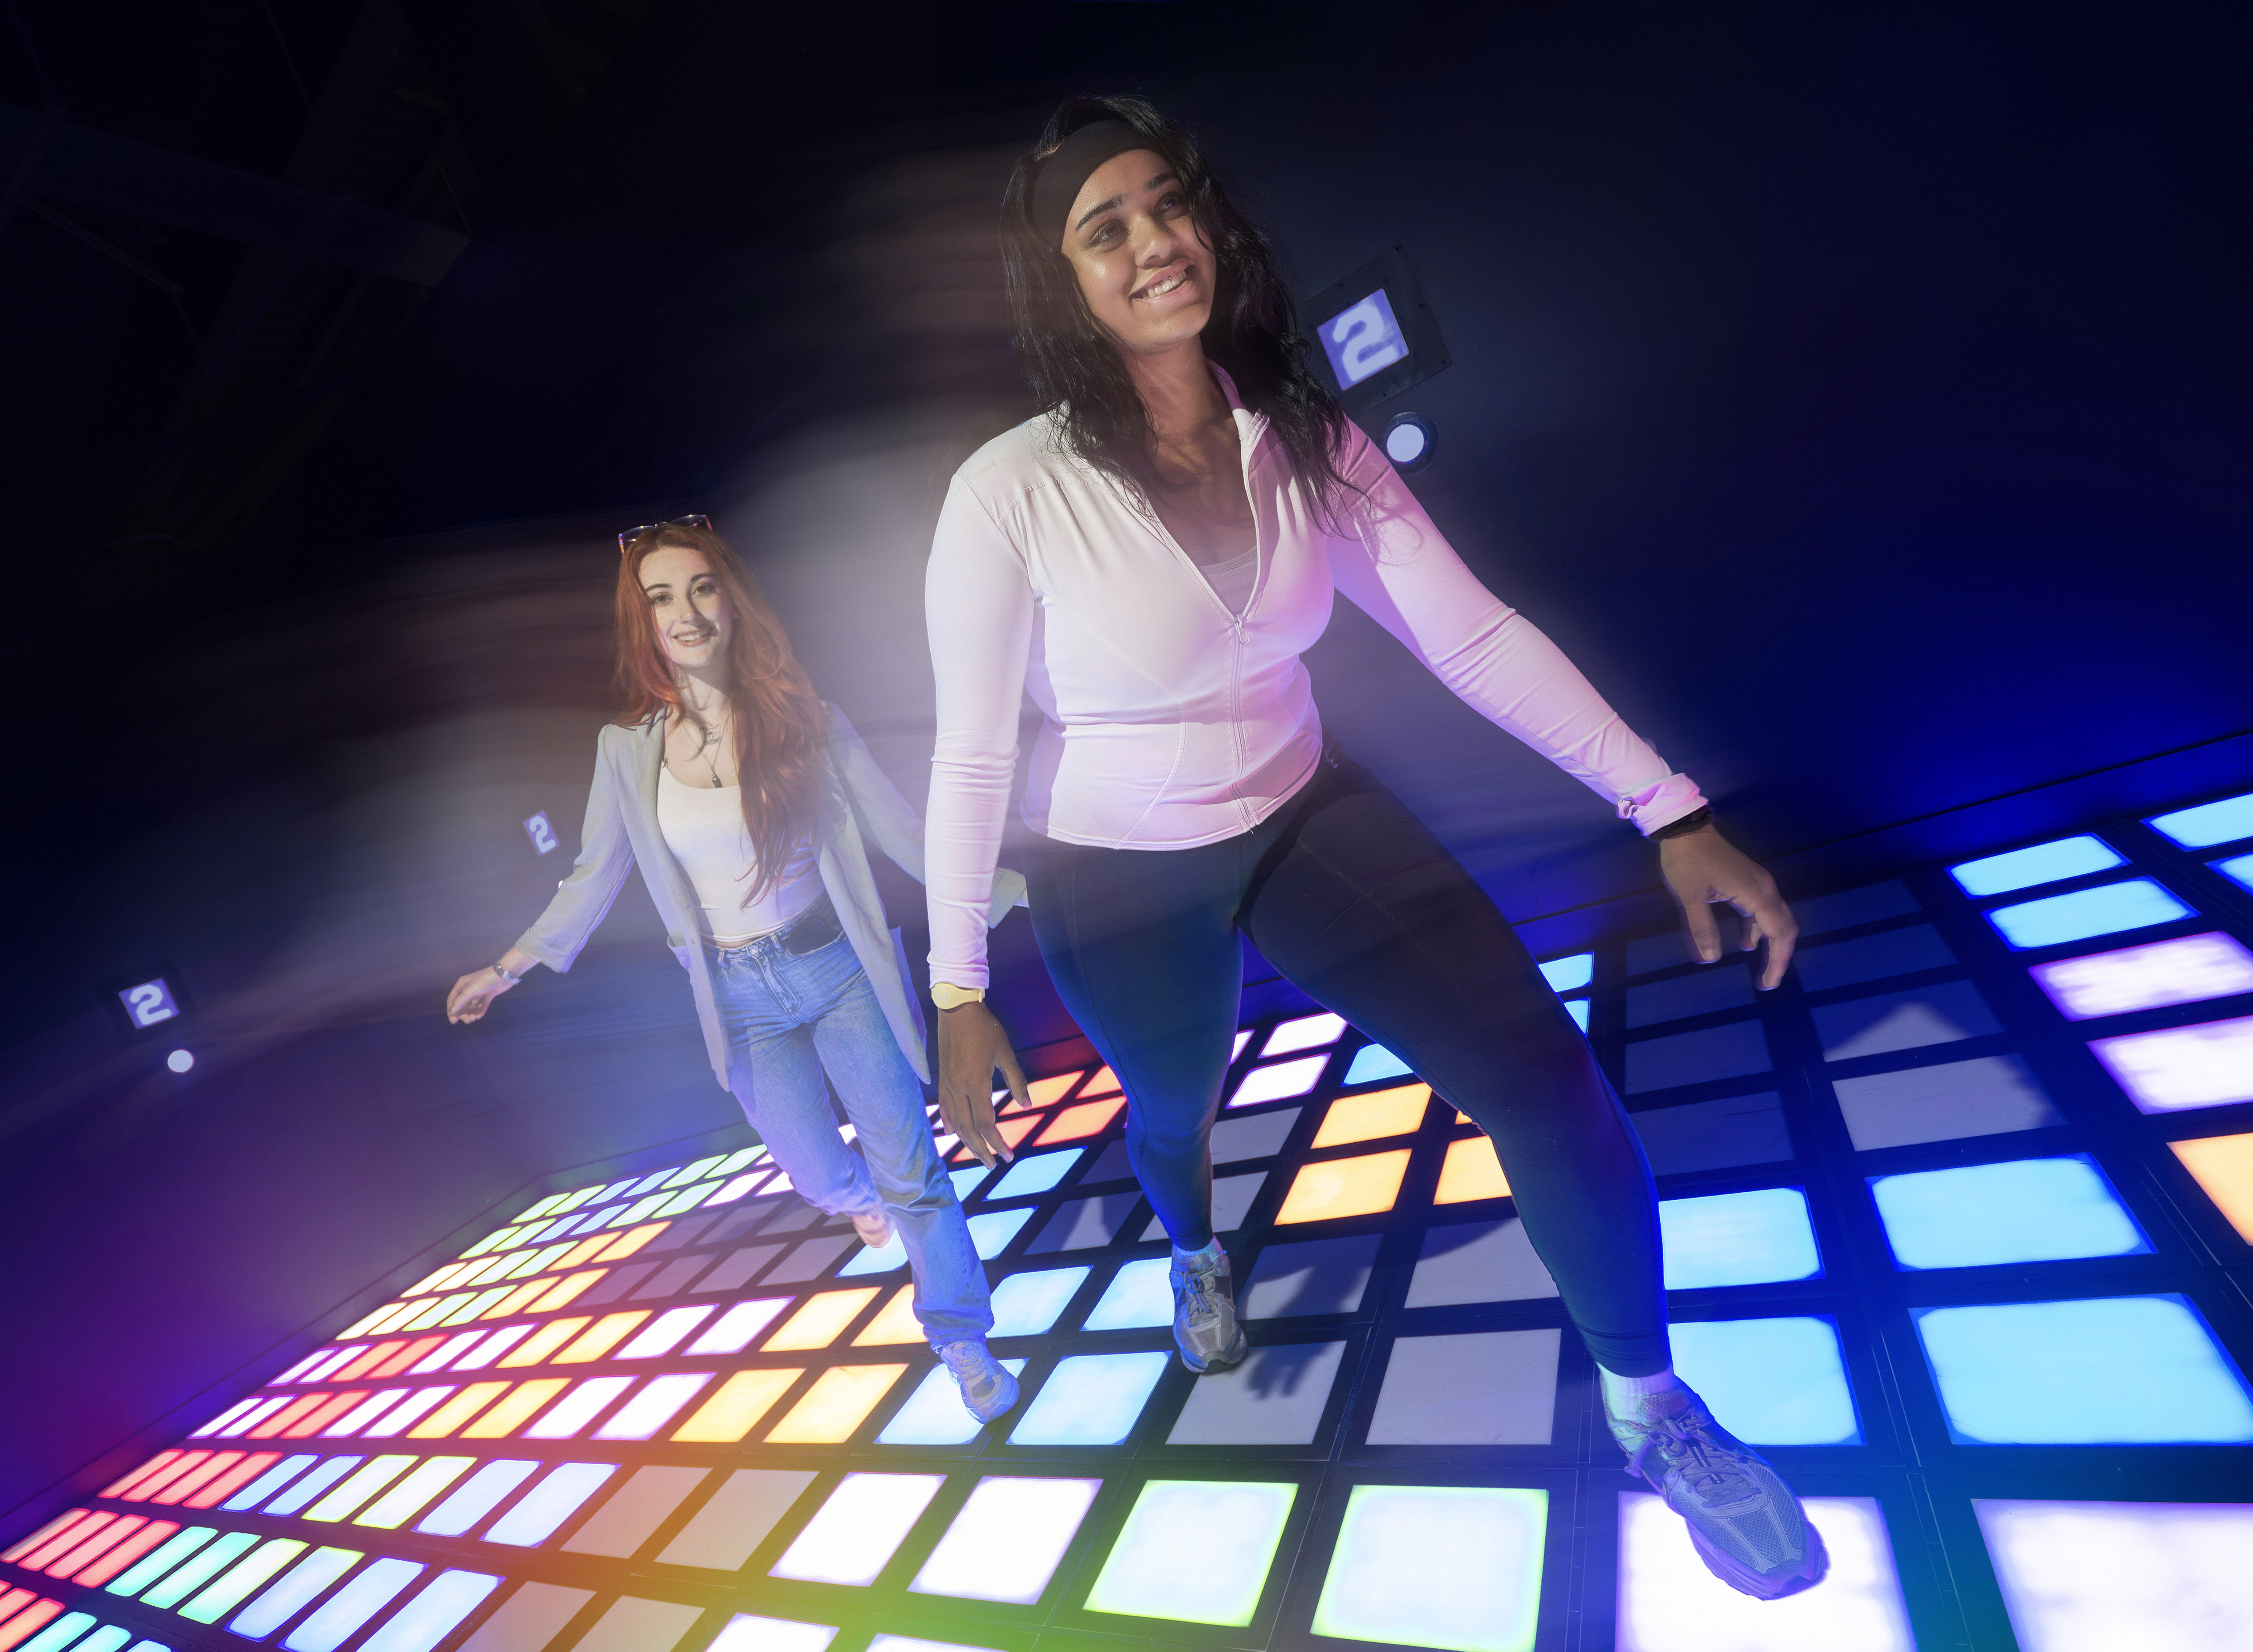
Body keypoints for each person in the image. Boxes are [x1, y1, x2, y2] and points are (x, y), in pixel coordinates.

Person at [920, 97, 1826, 1599]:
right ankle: (1195, 1249)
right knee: (1173, 1112)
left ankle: (1650, 1412)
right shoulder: (1008, 488)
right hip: (1114, 873)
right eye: (1105, 229)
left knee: (1543, 1079)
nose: (1154, 243)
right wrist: (956, 988)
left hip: (1301, 805)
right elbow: (968, 750)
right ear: (1059, 284)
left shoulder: (1298, 427)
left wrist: (1666, 807)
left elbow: (1465, 630)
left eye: (1167, 204)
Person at [446, 517, 1026, 1422]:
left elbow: (904, 833)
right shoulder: (625, 750)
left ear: (732, 599)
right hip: (739, 997)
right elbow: (593, 874)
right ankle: (856, 1199)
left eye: (702, 588)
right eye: (660, 598)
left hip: (838, 970)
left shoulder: (807, 719)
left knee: (913, 1172)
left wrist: (1017, 888)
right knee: (816, 1175)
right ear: (641, 622)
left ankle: (961, 1339)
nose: (685, 612)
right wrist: (507, 967)